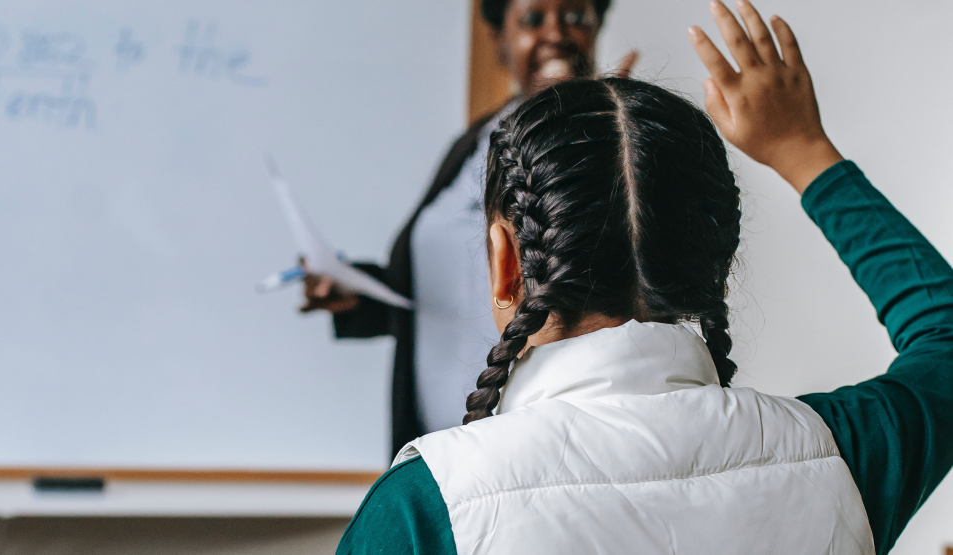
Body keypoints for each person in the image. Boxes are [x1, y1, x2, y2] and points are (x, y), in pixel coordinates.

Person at [335, 1, 953, 554]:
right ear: (712, 263)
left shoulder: (423, 510)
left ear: (505, 262)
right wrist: (803, 150)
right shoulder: (846, 455)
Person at [302, 0, 635, 456]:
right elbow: (452, 286)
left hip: (528, 448)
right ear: (500, 41)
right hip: (437, 443)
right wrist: (359, 294)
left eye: (576, 17)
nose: (555, 33)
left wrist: (610, 133)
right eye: (533, 19)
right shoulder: (478, 138)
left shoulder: (609, 146)